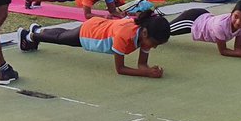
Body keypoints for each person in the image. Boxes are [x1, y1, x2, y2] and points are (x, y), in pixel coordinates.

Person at [17, 10, 171, 78]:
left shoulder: (146, 35)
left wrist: (150, 70)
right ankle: (30, 36)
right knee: (62, 37)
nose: (154, 47)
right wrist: (146, 73)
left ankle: (37, 30)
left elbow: (142, 65)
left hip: (102, 25)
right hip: (91, 33)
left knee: (63, 34)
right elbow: (120, 69)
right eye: (154, 43)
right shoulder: (126, 36)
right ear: (145, 33)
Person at [166, 0, 241, 59]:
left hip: (204, 16)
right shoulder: (220, 25)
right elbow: (223, 51)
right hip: (193, 20)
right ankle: (152, 21)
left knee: (163, 32)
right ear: (231, 13)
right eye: (236, 16)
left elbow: (238, 48)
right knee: (164, 31)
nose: (238, 22)